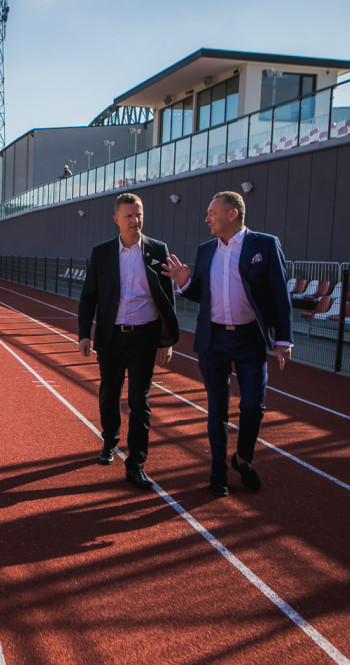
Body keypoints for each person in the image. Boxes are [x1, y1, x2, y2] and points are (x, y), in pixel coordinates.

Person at [161, 191, 293, 497]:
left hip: (250, 338)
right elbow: (202, 295)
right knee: (217, 408)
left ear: (232, 215)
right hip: (214, 339)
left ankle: (243, 457)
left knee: (253, 405)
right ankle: (218, 471)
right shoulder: (206, 249)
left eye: (212, 213)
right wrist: (184, 283)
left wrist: (282, 339)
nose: (207, 219)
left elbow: (279, 293)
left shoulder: (265, 245)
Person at [77, 193, 179, 490]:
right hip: (111, 336)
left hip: (144, 336)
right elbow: (89, 297)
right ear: (117, 220)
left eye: (139, 214)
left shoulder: (157, 250)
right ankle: (110, 440)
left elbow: (167, 297)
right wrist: (84, 333)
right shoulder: (101, 253)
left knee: (139, 400)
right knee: (109, 393)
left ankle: (136, 464)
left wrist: (167, 340)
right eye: (129, 216)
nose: (135, 221)